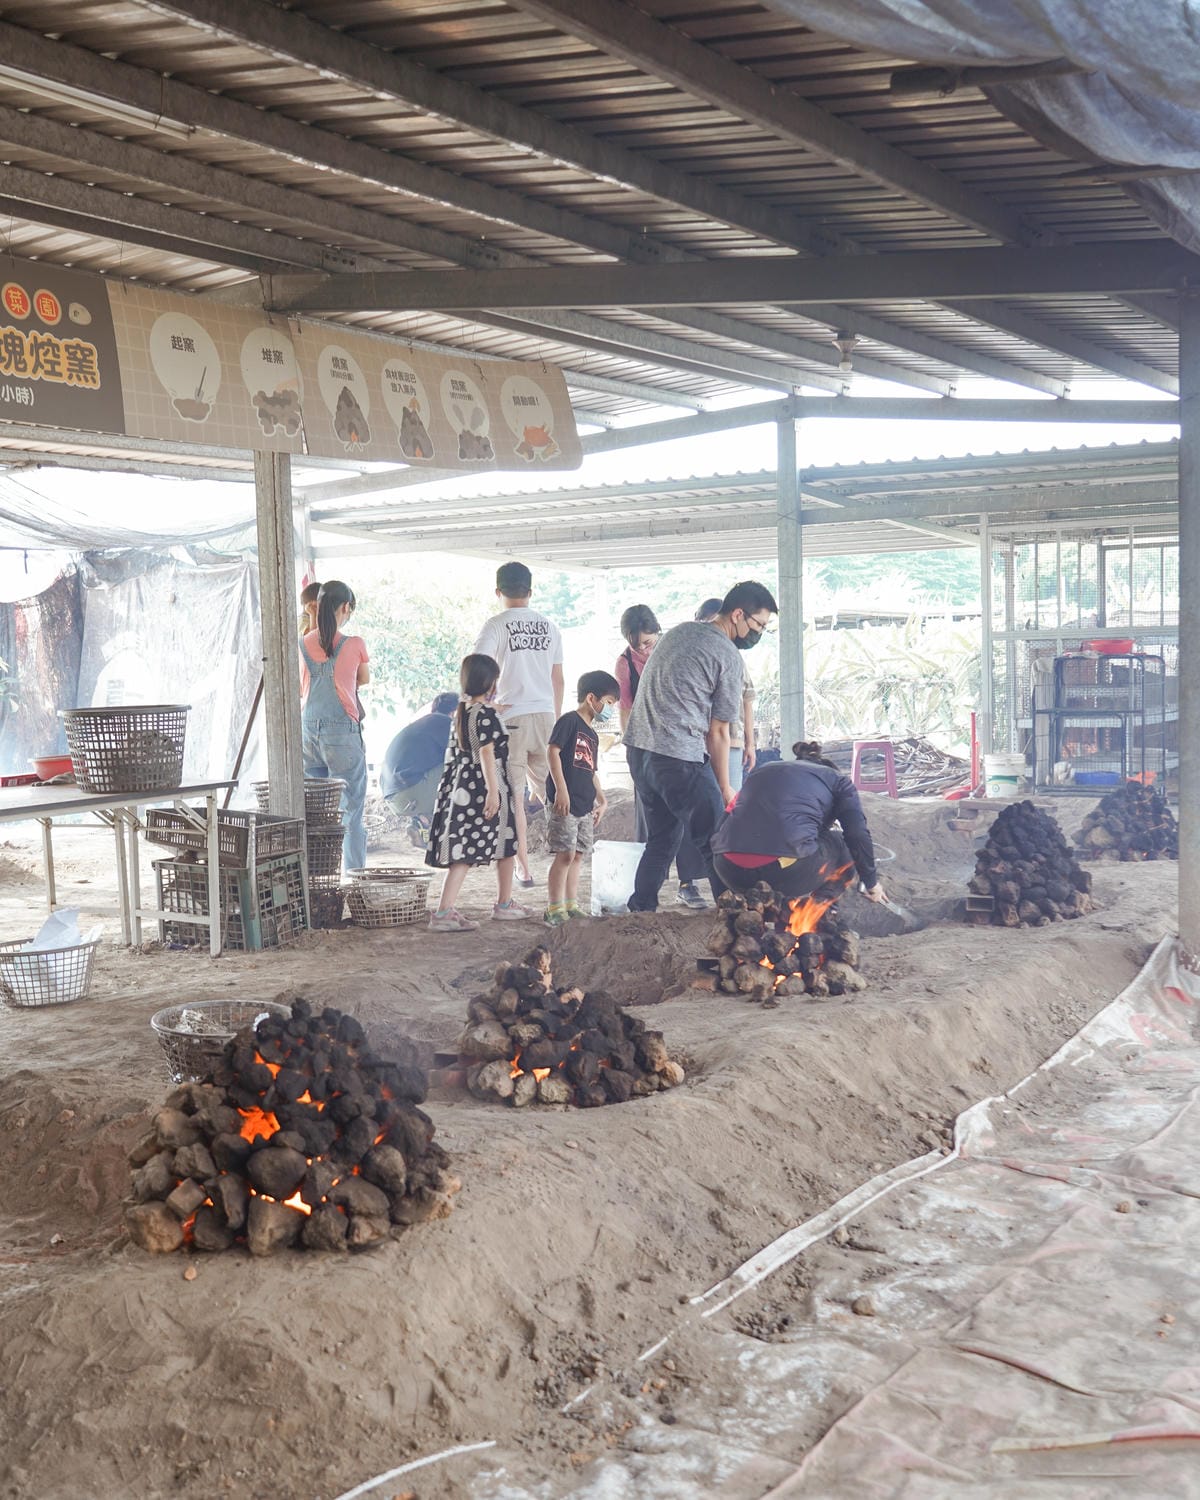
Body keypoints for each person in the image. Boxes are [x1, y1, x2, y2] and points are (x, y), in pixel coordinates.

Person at [623, 579, 778, 913]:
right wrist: (724, 787)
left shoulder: (678, 632)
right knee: (718, 839)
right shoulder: (728, 655)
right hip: (678, 757)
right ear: (738, 614)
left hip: (639, 751)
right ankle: (734, 919)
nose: (759, 632)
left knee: (662, 839)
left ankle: (641, 911)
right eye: (759, 625)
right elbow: (719, 732)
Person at [425, 653, 534, 932]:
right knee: (506, 840)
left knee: (466, 848)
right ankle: (503, 904)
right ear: (490, 683)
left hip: (463, 787)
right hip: (485, 784)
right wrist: (493, 792)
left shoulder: (463, 712)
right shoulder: (486, 714)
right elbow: (486, 753)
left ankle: (446, 910)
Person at [473, 561, 564, 889]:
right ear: (530, 590)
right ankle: (567, 857)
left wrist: (487, 703)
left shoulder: (495, 626)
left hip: (510, 720)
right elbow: (558, 679)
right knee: (553, 792)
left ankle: (524, 870)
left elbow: (478, 668)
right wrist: (554, 719)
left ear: (498, 591)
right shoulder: (549, 626)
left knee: (514, 800)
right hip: (545, 718)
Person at [712, 740, 888, 904]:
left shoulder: (762, 771)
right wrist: (871, 882)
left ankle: (756, 910)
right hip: (786, 873)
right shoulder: (838, 781)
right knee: (843, 844)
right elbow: (856, 834)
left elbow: (721, 826)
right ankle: (819, 914)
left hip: (728, 869)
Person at [615, 603, 707, 910]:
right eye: (636, 643)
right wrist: (631, 749)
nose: (642, 648)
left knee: (679, 826)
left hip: (677, 747)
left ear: (658, 632)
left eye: (647, 642)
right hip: (649, 751)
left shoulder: (671, 650)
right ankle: (644, 903)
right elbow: (625, 709)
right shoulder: (625, 663)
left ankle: (683, 885)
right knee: (665, 830)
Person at [299, 580, 369, 874]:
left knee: (313, 812)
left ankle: (316, 875)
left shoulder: (301, 643)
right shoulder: (354, 644)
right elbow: (362, 680)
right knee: (350, 811)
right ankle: (354, 879)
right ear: (345, 607)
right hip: (342, 736)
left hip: (307, 733)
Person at [544, 669, 620, 927]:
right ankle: (554, 907)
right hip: (565, 802)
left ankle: (570, 904)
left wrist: (603, 800)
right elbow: (553, 752)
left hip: (584, 804)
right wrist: (561, 789)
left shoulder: (594, 735)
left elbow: (591, 771)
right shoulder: (569, 722)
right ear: (591, 698)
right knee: (564, 854)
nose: (609, 709)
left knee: (578, 855)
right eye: (608, 703)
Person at [380, 692, 459, 844]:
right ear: (455, 711)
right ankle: (437, 826)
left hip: (394, 798)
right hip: (409, 794)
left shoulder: (423, 723)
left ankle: (422, 822)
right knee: (460, 765)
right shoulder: (445, 723)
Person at [696, 597, 757, 791]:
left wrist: (750, 743)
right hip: (699, 743)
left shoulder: (732, 656)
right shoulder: (695, 656)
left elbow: (747, 699)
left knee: (729, 801)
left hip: (731, 740)